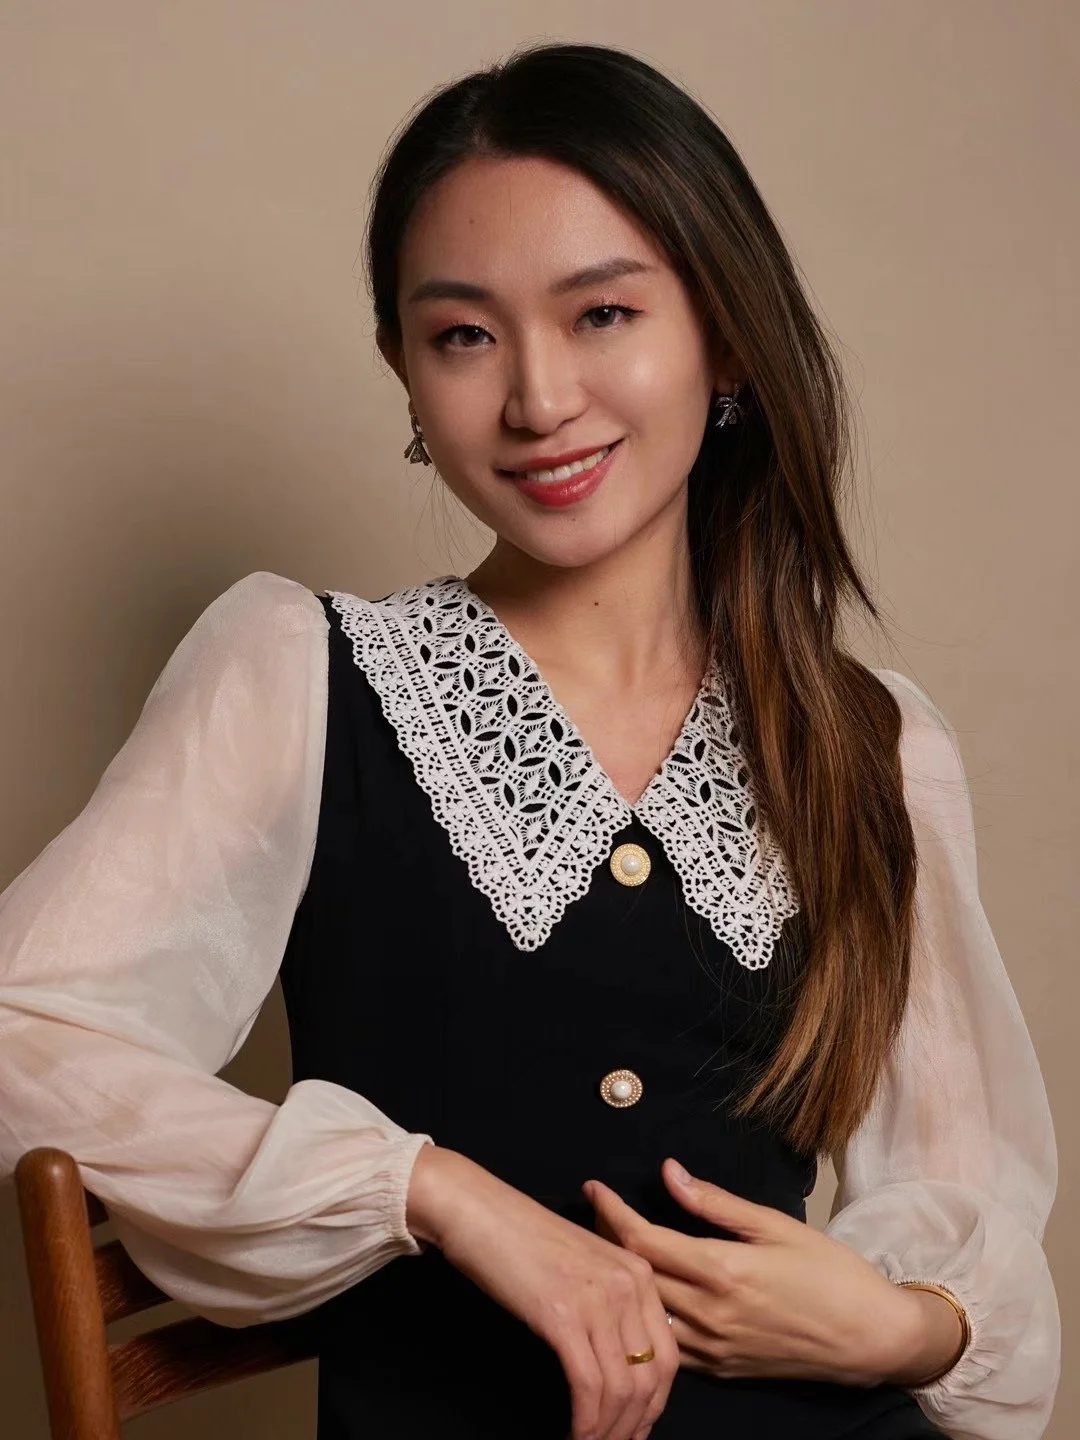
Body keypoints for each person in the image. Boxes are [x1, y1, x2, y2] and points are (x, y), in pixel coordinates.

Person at [0, 40, 1059, 1440]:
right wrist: (432, 1190)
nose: (540, 399)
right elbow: (23, 1035)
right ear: (403, 371)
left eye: (603, 313)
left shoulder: (870, 744)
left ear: (727, 336)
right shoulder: (301, 677)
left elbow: (964, 1198)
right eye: (463, 336)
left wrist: (904, 1323)